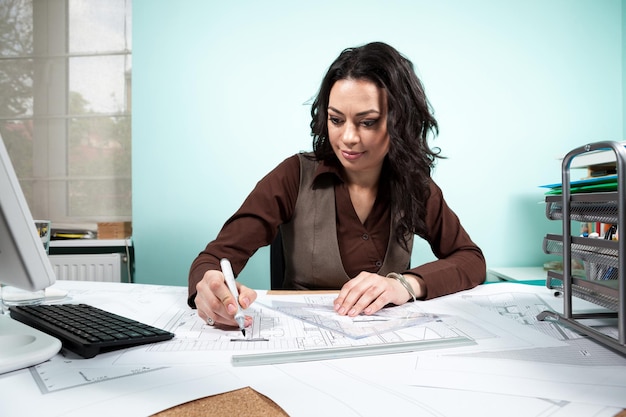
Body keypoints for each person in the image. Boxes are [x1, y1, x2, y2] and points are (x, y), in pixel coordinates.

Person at [188, 41, 485, 329]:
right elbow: (213, 260)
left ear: (399, 121)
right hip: (299, 344)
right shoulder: (293, 175)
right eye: (336, 119)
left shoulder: (414, 185)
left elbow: (471, 259)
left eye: (367, 122)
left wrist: (405, 284)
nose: (348, 138)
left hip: (389, 351)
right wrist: (210, 286)